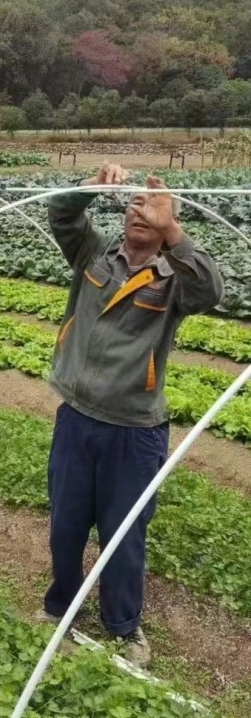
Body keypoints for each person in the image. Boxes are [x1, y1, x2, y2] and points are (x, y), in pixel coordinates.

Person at [39, 162, 224, 667]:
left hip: (134, 427)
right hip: (76, 416)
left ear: (165, 225)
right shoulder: (93, 254)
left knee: (124, 531)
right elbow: (61, 214)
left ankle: (124, 626)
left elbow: (213, 290)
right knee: (67, 522)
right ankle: (61, 607)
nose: (138, 214)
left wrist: (175, 232)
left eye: (151, 212)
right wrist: (89, 189)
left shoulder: (175, 279)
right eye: (131, 206)